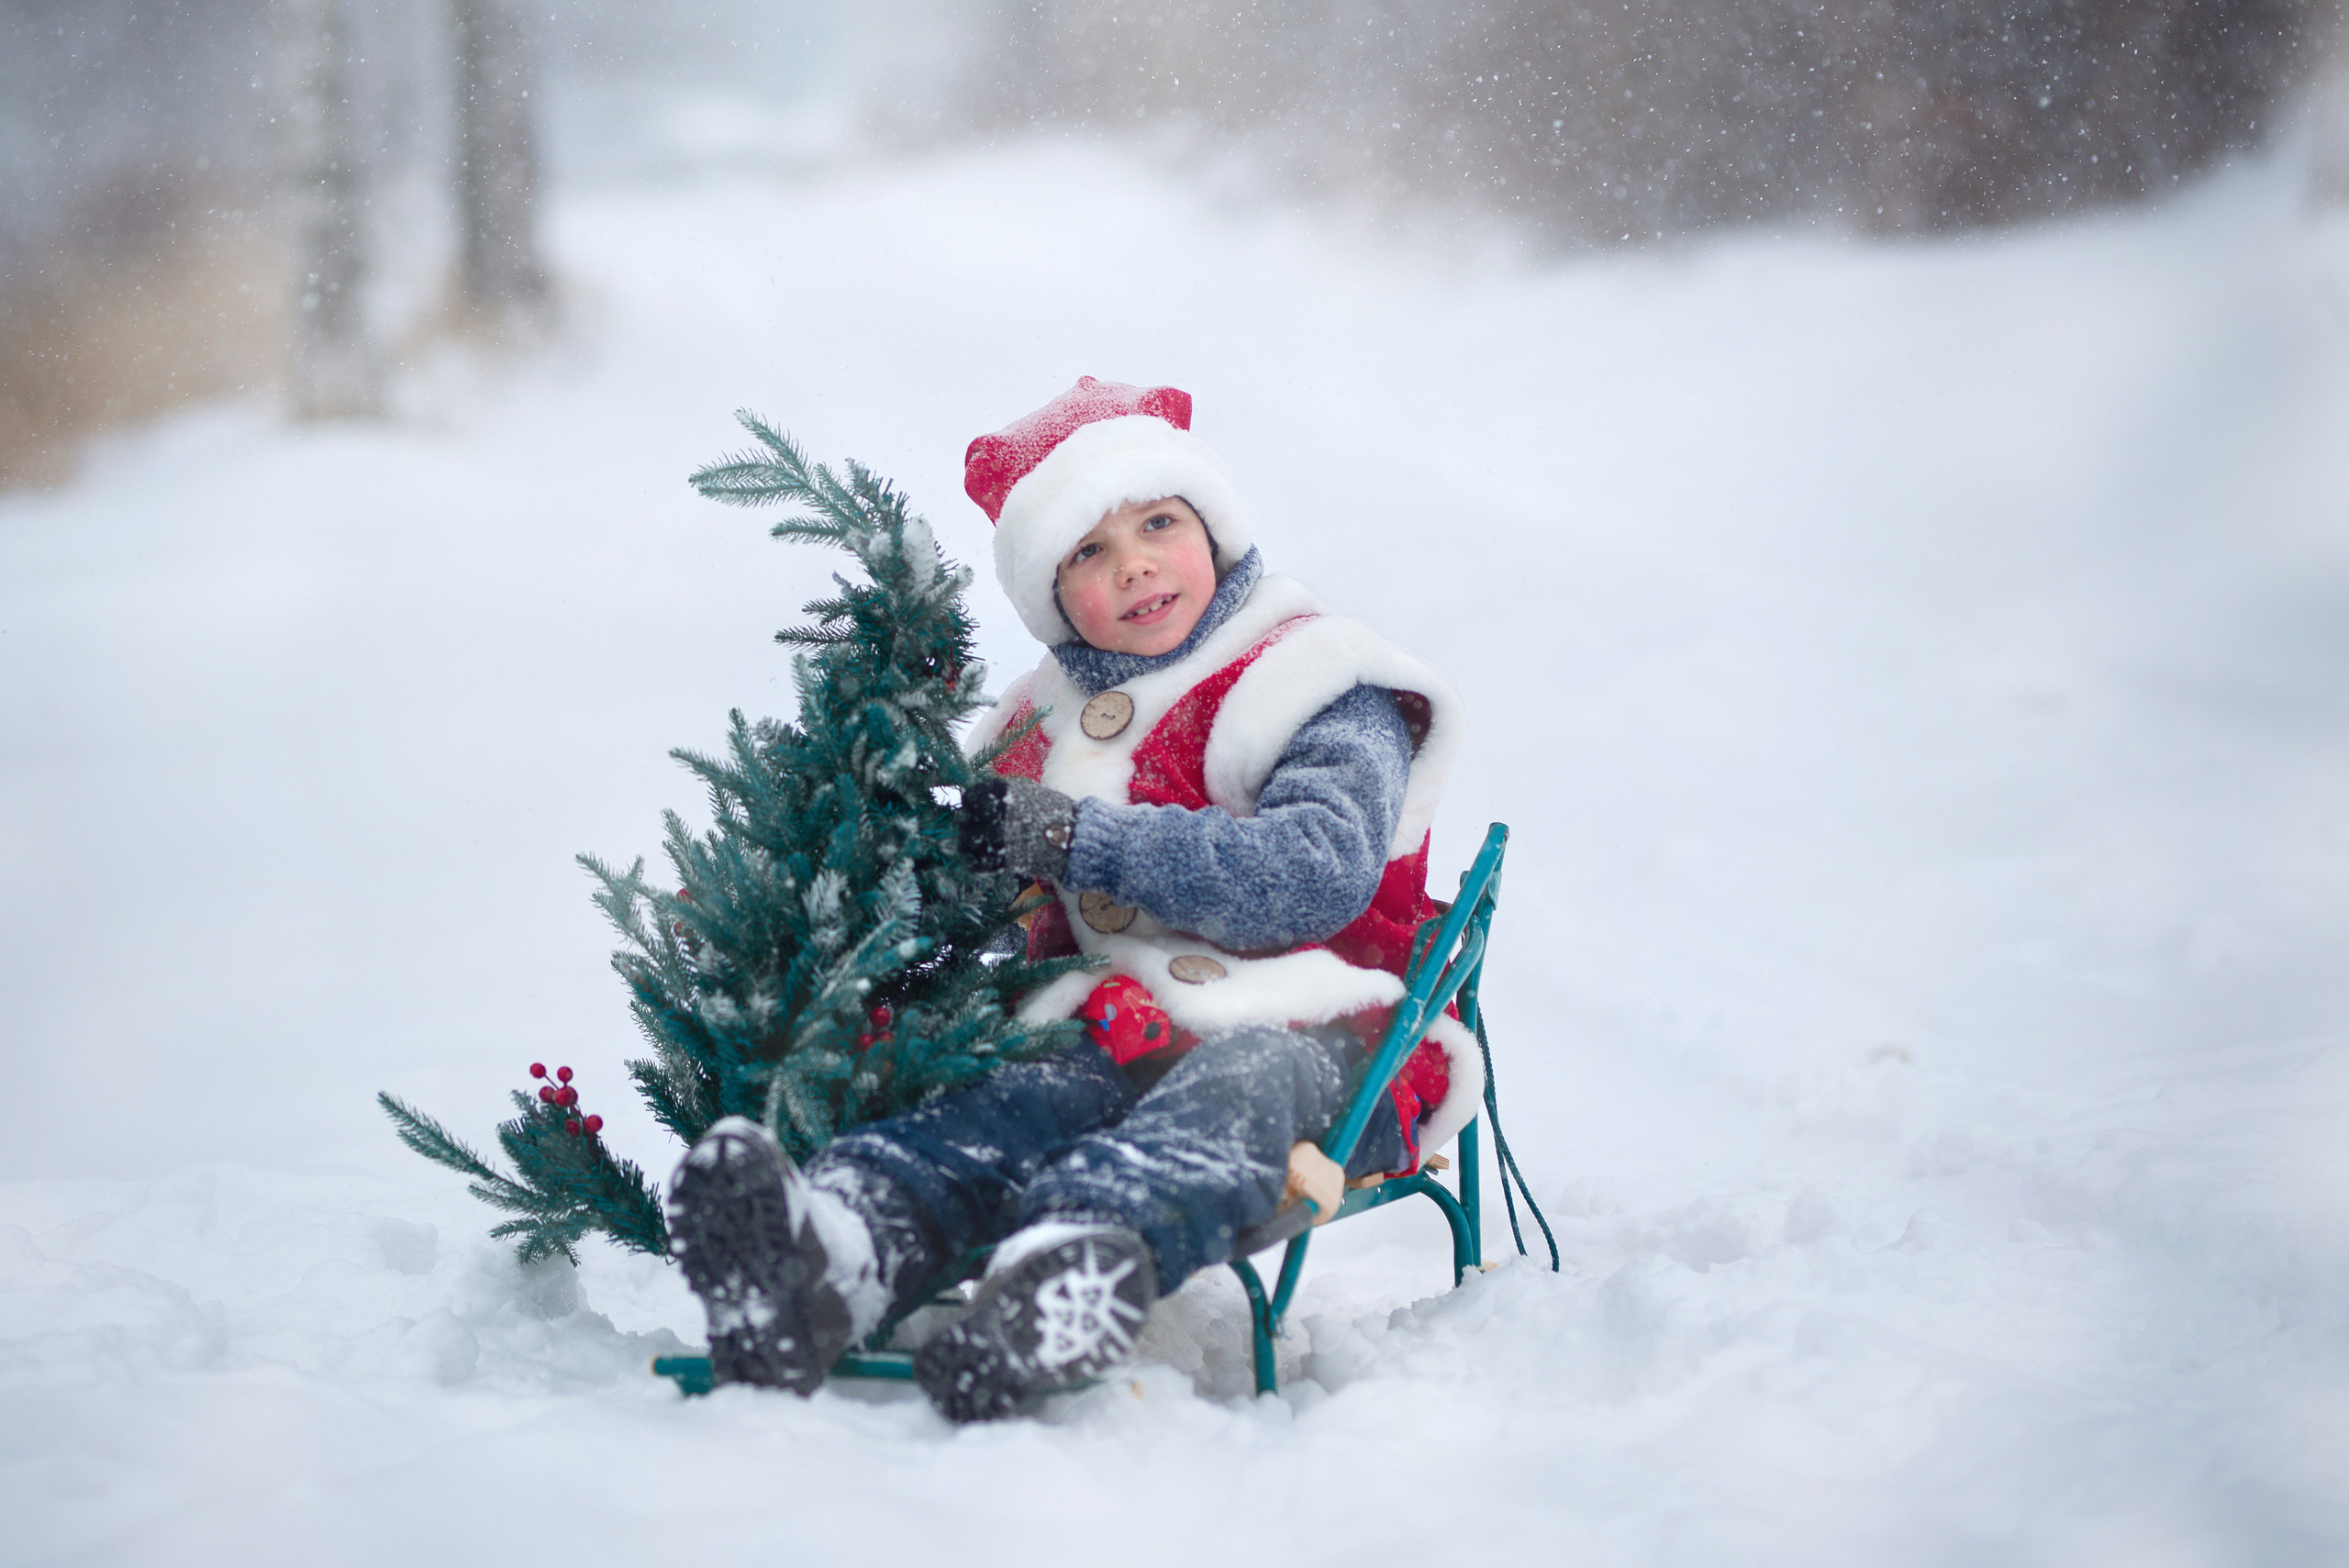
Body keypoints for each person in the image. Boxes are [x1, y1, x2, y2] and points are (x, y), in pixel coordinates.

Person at [667, 376, 1476, 1421]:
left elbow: (1311, 875)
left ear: (1215, 532)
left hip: (1336, 1033)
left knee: (1241, 1080)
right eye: (1088, 552)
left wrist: (1074, 836)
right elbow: (969, 900)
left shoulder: (1317, 677)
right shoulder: (1038, 722)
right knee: (1007, 1100)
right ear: (1053, 595)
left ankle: (1071, 1272)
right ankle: (830, 1253)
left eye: (1157, 523)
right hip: (1118, 1025)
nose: (1133, 561)